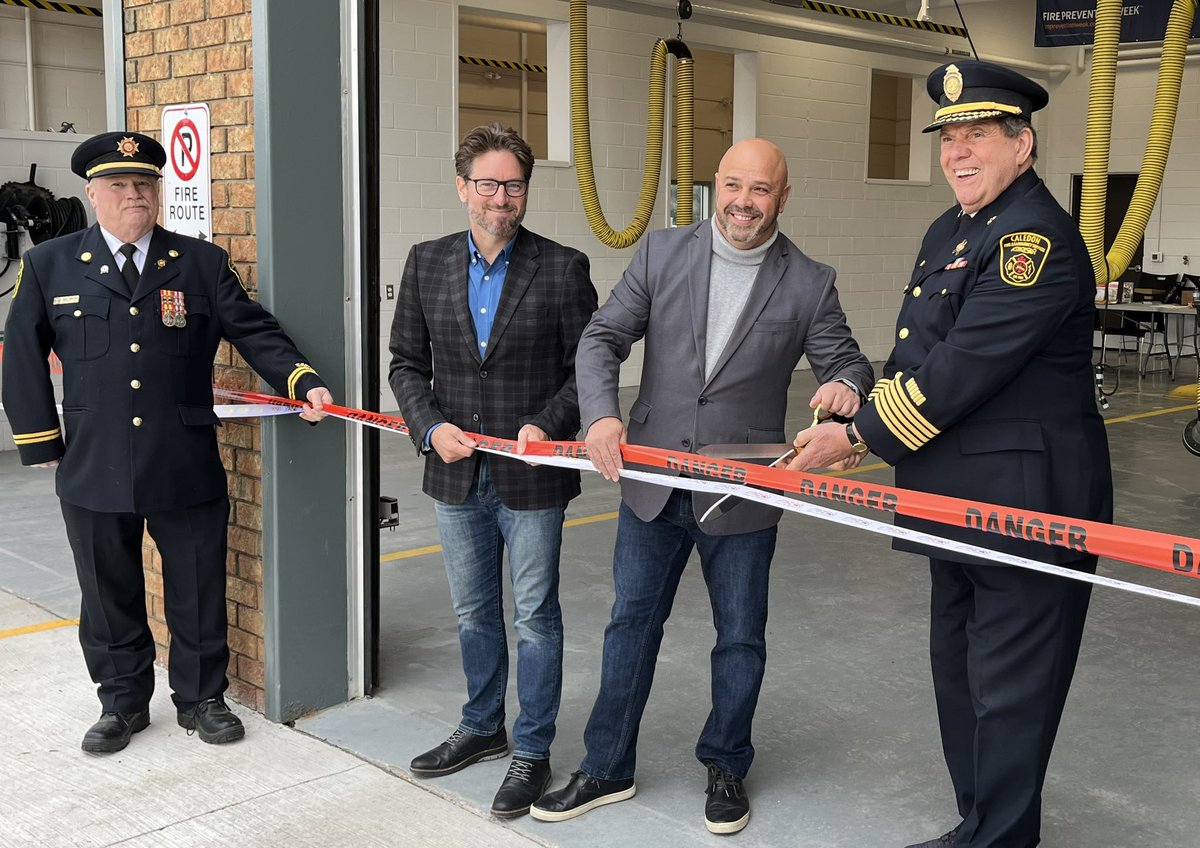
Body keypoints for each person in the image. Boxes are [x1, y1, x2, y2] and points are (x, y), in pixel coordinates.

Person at [787, 61, 1114, 848]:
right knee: (960, 676)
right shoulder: (952, 230)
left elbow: (965, 368)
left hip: (1027, 503)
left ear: (1022, 146)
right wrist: (856, 407)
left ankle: (999, 839)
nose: (958, 154)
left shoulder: (1033, 239)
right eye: (949, 139)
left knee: (1011, 689)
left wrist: (860, 438)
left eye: (977, 137)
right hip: (950, 496)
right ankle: (982, 826)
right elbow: (918, 357)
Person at [531, 138, 873, 835]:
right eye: (733, 185)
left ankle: (726, 765)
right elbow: (601, 339)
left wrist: (845, 385)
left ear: (784, 196)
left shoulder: (809, 280)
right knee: (629, 627)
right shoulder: (661, 253)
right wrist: (600, 413)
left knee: (740, 638)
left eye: (761, 189)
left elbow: (848, 361)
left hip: (744, 492)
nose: (744, 202)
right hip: (652, 481)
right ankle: (606, 766)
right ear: (715, 185)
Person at [1, 131, 333, 755]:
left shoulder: (199, 263)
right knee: (106, 591)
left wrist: (301, 379)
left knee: (199, 585)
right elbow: (20, 353)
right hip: (93, 462)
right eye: (121, 186)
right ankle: (121, 704)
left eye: (146, 184)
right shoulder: (50, 264)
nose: (136, 195)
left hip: (182, 458)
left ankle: (202, 699)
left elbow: (252, 328)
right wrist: (41, 439)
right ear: (93, 194)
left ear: (160, 192)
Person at [388, 123, 598, 819]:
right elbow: (406, 365)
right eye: (488, 184)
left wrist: (551, 423)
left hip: (531, 477)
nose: (500, 197)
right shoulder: (425, 263)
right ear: (462, 188)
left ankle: (532, 750)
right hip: (454, 473)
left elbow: (588, 370)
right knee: (474, 611)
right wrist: (429, 426)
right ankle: (483, 727)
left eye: (512, 185)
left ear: (525, 191)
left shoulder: (563, 267)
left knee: (536, 615)